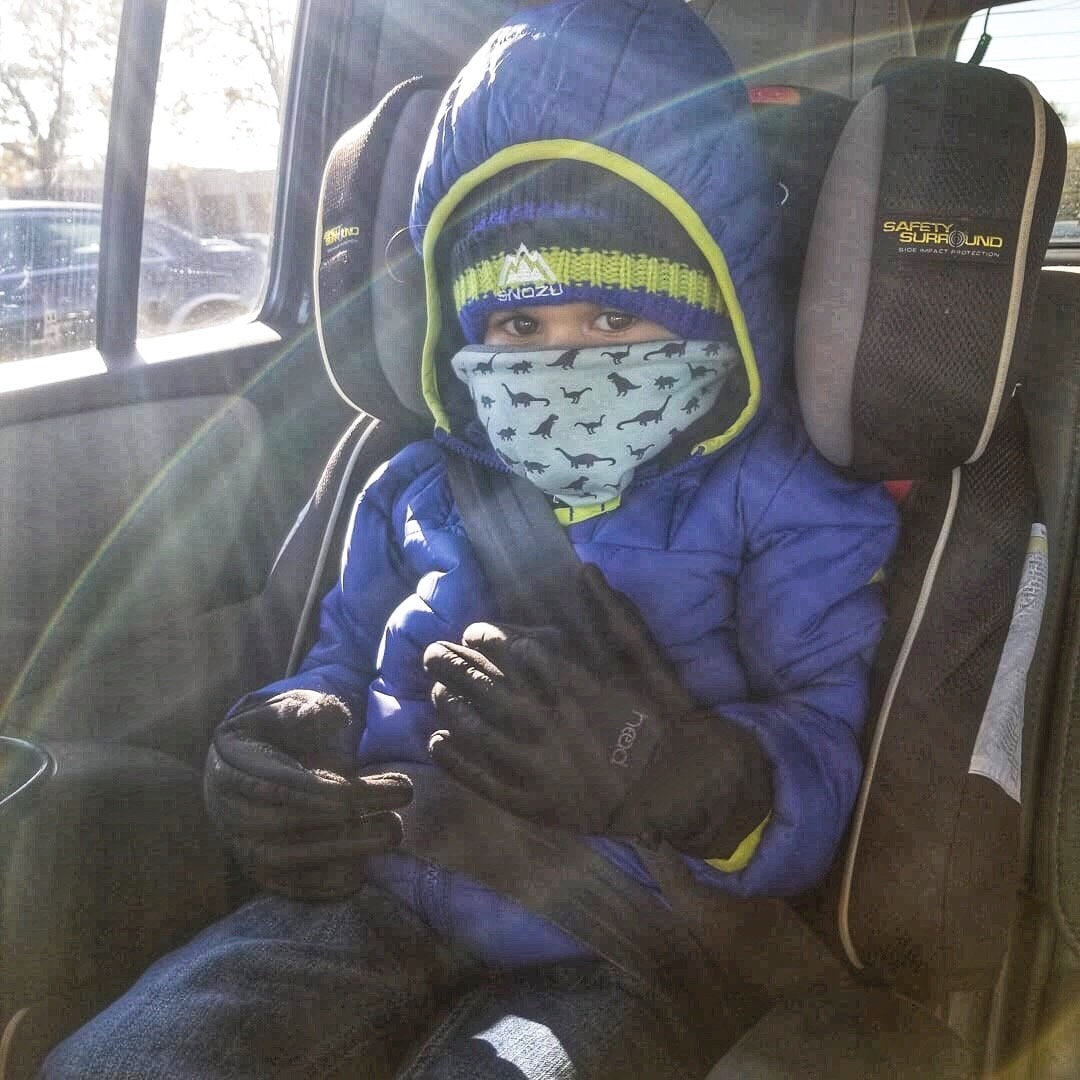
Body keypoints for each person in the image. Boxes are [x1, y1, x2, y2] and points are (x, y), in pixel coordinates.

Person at [41, 0, 899, 1076]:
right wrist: (283, 738)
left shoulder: (785, 499)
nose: (563, 363)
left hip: (619, 940)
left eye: (614, 320)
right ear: (462, 329)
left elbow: (821, 744)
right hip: (378, 886)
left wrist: (675, 773)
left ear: (714, 314)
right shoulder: (416, 485)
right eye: (519, 325)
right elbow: (343, 658)